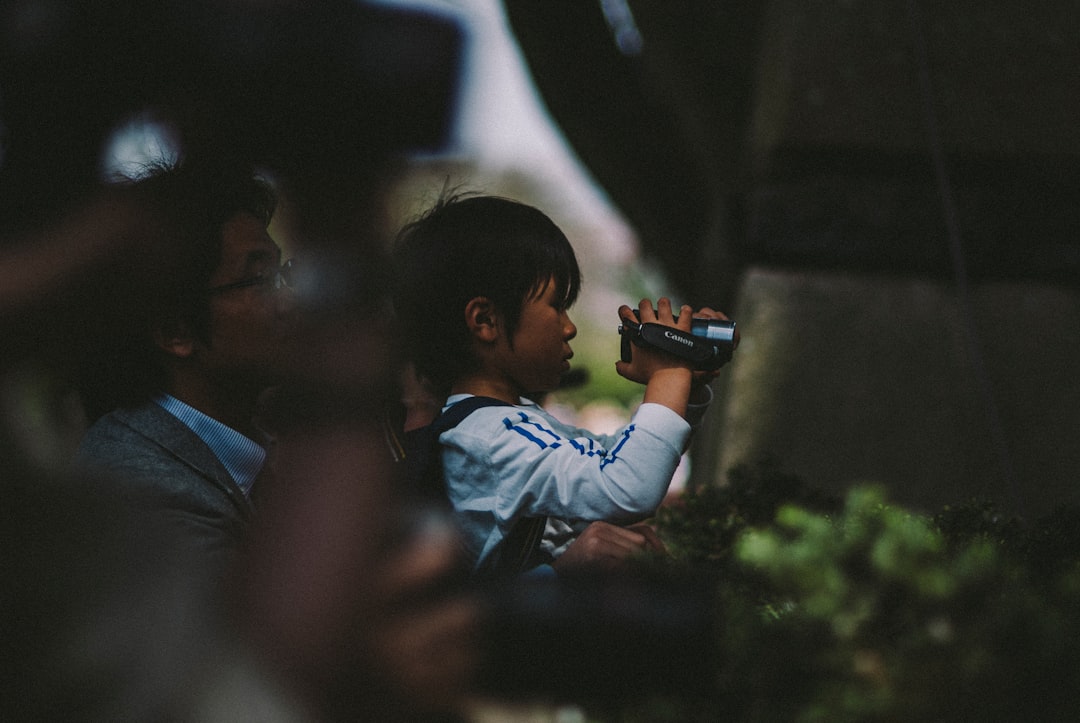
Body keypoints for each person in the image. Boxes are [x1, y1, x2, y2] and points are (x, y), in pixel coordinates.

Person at [392, 193, 730, 576]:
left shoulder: (509, 422)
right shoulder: (487, 436)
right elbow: (628, 487)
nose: (569, 327)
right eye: (557, 305)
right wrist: (670, 372)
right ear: (485, 320)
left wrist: (686, 387)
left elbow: (615, 459)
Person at [72, 161, 295, 572]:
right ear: (176, 331)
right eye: (261, 280)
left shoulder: (258, 439)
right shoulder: (136, 487)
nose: (288, 302)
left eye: (282, 274)